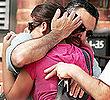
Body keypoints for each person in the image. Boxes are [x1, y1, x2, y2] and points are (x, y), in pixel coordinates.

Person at [2, 2, 83, 100]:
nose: (26, 31)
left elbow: (13, 98)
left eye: (31, 26)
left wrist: (5, 50)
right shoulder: (82, 54)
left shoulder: (35, 59)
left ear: (43, 26)